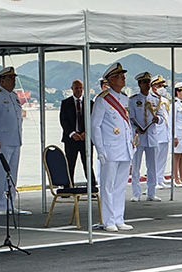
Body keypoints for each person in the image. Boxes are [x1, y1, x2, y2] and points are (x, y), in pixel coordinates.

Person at [92, 63, 135, 232]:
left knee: (120, 186)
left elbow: (127, 125)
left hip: (124, 148)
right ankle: (108, 220)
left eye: (123, 76)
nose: (123, 78)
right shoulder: (103, 100)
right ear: (111, 79)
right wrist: (100, 150)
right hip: (110, 149)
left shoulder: (125, 99)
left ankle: (119, 218)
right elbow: (95, 126)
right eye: (120, 76)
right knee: (107, 186)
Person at [0, 67, 30, 215]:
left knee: (12, 174)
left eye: (14, 78)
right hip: (2, 141)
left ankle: (10, 203)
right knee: (0, 173)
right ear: (2, 80)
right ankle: (0, 205)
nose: (13, 81)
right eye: (10, 79)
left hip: (15, 140)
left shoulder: (14, 96)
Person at [128, 72, 164, 202]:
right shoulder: (133, 100)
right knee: (136, 166)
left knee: (152, 166)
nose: (147, 85)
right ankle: (136, 193)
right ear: (139, 84)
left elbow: (162, 117)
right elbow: (130, 119)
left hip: (152, 136)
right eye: (144, 82)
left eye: (148, 82)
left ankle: (151, 192)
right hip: (139, 136)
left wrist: (157, 119)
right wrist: (135, 129)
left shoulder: (155, 99)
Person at [59, 79, 96, 185]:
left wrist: (86, 132)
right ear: (72, 89)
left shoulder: (90, 103)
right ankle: (67, 188)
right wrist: (72, 133)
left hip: (85, 139)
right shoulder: (65, 103)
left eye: (81, 88)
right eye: (76, 88)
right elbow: (63, 120)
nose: (79, 90)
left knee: (88, 164)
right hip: (71, 139)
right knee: (69, 164)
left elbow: (93, 120)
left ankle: (92, 187)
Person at [150, 75, 171, 189]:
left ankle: (160, 178)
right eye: (159, 86)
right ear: (153, 87)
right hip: (156, 133)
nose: (162, 88)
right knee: (154, 159)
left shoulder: (165, 100)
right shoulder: (150, 99)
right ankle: (154, 181)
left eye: (163, 86)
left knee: (163, 158)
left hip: (165, 132)